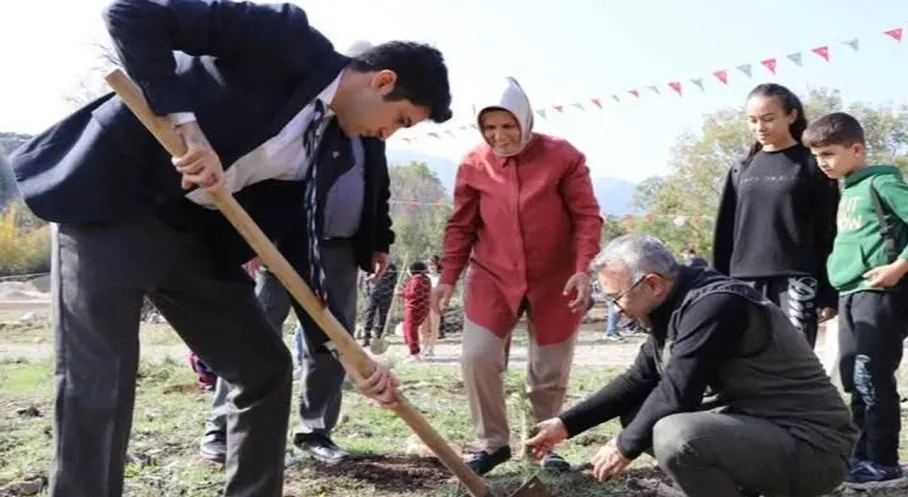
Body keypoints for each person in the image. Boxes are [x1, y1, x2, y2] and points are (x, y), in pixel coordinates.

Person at [8, 1, 451, 495]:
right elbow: (133, 13)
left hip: (194, 240)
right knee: (100, 379)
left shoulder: (330, 148)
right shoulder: (285, 39)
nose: (387, 134)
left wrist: (342, 350)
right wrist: (186, 125)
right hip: (112, 207)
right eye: (401, 120)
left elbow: (299, 248)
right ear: (383, 81)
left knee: (264, 369)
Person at [527, 235, 858, 497]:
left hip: (812, 448)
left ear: (653, 284)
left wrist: (623, 447)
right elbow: (638, 380)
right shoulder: (672, 305)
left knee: (676, 435)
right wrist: (565, 424)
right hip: (763, 434)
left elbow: (678, 393)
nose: (617, 309)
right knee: (638, 414)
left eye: (617, 298)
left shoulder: (716, 304)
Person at [198, 59, 396, 466]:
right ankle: (221, 428)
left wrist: (379, 241)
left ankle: (315, 431)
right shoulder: (310, 120)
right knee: (255, 333)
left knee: (333, 343)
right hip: (282, 249)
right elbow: (265, 182)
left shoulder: (375, 135)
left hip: (341, 250)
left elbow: (379, 190)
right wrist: (251, 241)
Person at [432, 76, 603, 475]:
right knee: (478, 356)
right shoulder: (474, 163)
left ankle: (546, 445)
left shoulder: (563, 156)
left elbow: (586, 216)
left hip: (556, 277)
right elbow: (460, 226)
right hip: (492, 275)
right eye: (489, 127)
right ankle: (492, 444)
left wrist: (581, 269)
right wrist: (447, 277)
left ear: (525, 120)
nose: (499, 135)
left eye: (507, 125)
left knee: (549, 370)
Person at [804, 112, 908, 488]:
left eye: (829, 154)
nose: (823, 163)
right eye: (817, 156)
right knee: (852, 375)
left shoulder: (882, 182)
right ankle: (862, 455)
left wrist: (898, 266)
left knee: (872, 376)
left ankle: (884, 462)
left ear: (857, 149)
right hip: (849, 293)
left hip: (880, 293)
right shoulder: (846, 189)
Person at [712, 83, 840, 347]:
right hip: (743, 280)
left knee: (795, 359)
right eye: (753, 120)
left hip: (797, 280)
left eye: (768, 119)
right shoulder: (741, 168)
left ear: (791, 116)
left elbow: (829, 229)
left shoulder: (812, 165)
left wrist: (829, 292)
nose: (760, 127)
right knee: (745, 358)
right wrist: (717, 284)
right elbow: (725, 231)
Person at [400, 261, 432, 361]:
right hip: (423, 308)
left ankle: (415, 354)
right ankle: (412, 351)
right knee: (406, 328)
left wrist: (400, 293)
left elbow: (413, 294)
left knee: (410, 330)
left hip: (414, 308)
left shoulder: (416, 279)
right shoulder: (426, 279)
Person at [361, 261, 398, 346]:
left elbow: (394, 280)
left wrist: (390, 292)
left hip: (386, 295)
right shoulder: (371, 264)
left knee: (383, 316)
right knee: (369, 314)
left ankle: (378, 336)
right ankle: (366, 336)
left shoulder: (391, 266)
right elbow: (365, 279)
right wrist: (367, 291)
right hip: (372, 294)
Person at [419, 255, 443, 356]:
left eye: (433, 264)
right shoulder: (424, 277)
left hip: (436, 304)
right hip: (424, 303)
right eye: (429, 265)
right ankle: (424, 346)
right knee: (423, 327)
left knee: (434, 326)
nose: (431, 267)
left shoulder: (441, 278)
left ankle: (431, 348)